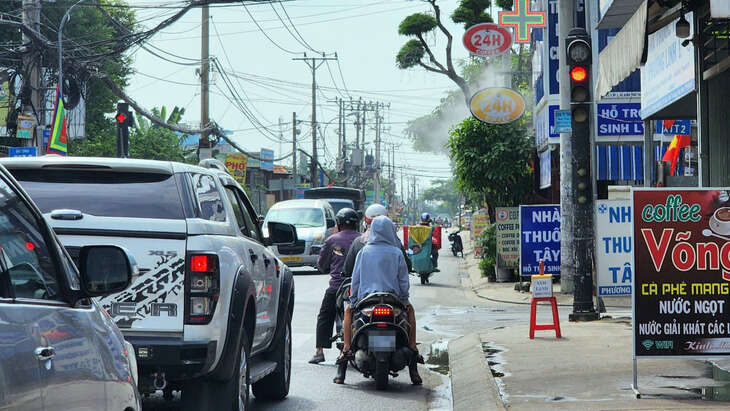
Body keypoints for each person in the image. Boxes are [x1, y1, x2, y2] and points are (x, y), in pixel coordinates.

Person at [334, 216, 422, 385]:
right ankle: (413, 353)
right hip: (393, 300)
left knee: (347, 312)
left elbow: (356, 279)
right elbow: (404, 281)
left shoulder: (364, 252)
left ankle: (345, 351)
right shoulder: (396, 253)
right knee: (410, 311)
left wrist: (353, 301)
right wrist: (404, 299)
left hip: (367, 301)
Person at [309, 208, 362, 365]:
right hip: (360, 287)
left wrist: (323, 267)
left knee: (325, 316)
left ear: (338, 224)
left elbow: (322, 264)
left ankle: (319, 351)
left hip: (337, 287)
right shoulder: (363, 239)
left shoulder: (332, 240)